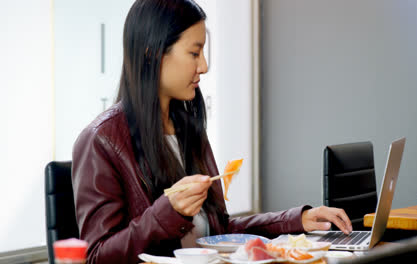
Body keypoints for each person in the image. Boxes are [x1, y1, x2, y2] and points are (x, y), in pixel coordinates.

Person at [71, 0, 353, 263]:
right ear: (152, 53)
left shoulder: (188, 129)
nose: (204, 67)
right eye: (194, 53)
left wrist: (296, 221)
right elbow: (96, 256)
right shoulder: (101, 140)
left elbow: (220, 229)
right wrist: (166, 213)